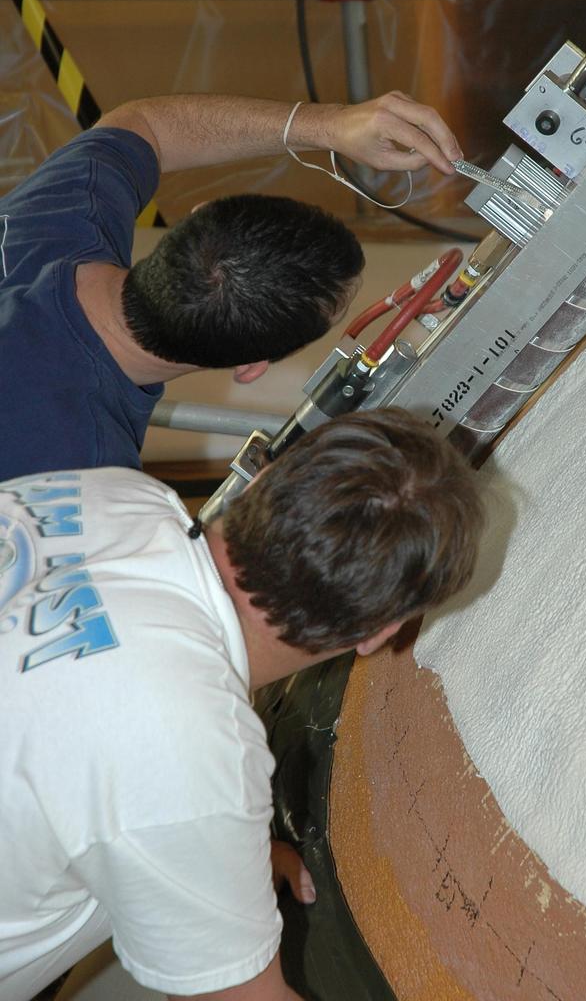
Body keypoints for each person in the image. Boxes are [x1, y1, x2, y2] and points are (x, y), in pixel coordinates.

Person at [0, 407, 486, 1001]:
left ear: (262, 477)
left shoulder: (110, 494)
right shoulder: (191, 749)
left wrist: (221, 863)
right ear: (380, 633)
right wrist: (209, 821)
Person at [0, 91, 463, 480]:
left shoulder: (56, 218)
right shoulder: (85, 475)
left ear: (198, 214)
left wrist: (329, 126)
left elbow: (146, 127)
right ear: (251, 366)